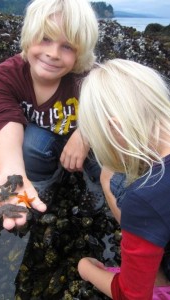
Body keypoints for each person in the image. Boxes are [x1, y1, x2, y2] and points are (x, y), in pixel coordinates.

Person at [0, 0, 104, 235]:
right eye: (45, 38)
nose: (52, 53)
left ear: (81, 53)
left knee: (107, 145)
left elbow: (112, 114)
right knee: (30, 143)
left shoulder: (91, 78)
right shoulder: (6, 77)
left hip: (87, 137)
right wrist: (9, 172)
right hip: (45, 138)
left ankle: (97, 183)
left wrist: (84, 135)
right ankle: (43, 182)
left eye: (67, 46)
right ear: (28, 34)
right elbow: (6, 125)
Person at [77, 59, 170, 299]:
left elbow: (131, 295)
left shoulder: (143, 199)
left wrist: (86, 270)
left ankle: (155, 268)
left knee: (110, 175)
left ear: (116, 130)